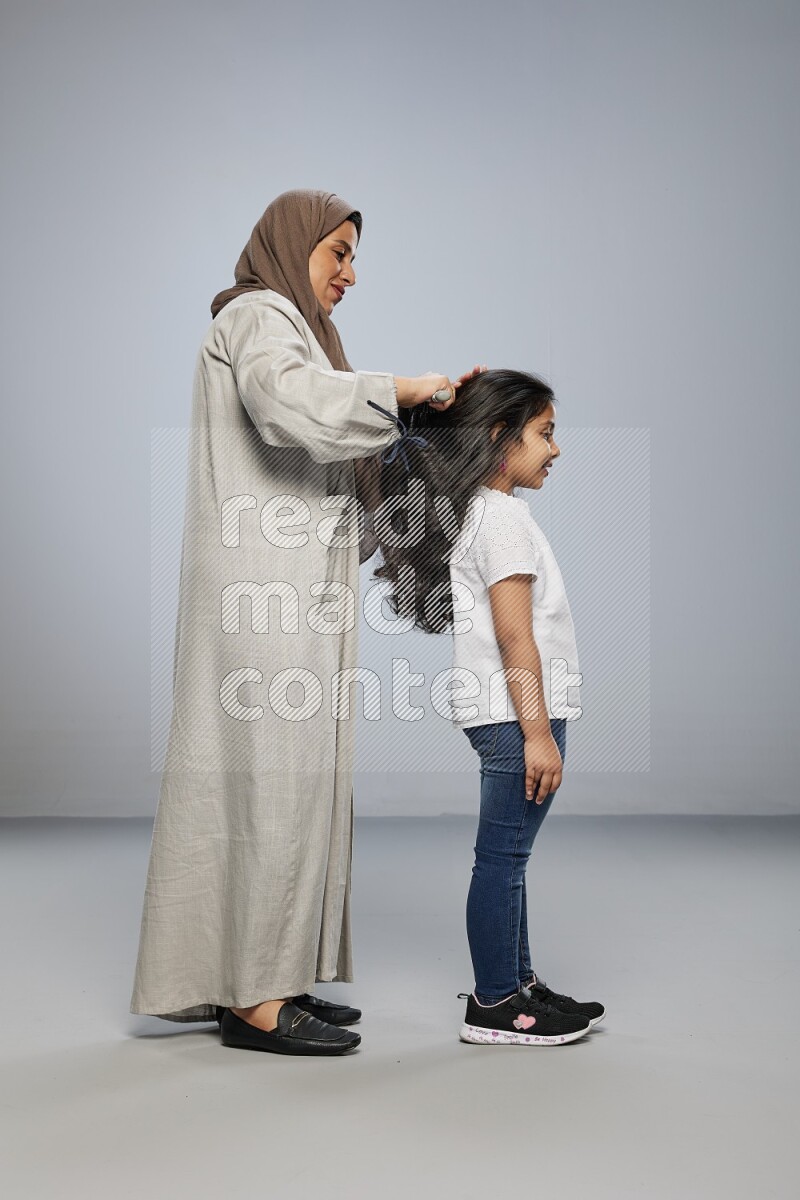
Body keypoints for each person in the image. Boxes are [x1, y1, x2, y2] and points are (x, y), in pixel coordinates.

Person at [130, 188, 481, 1056]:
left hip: (289, 587)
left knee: (291, 780)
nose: (350, 274)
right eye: (338, 253)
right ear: (294, 247)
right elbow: (291, 405)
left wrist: (425, 420)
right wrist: (398, 391)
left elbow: (328, 431)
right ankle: (253, 997)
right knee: (269, 778)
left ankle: (269, 976)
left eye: (354, 258)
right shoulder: (257, 317)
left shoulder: (297, 333)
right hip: (261, 591)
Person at [372, 368, 606, 1046]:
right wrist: (537, 732)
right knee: (501, 858)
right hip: (514, 717)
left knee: (511, 859)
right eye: (545, 434)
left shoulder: (492, 513)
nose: (555, 449)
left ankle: (518, 982)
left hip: (512, 714)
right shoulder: (500, 520)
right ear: (503, 440)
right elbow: (514, 636)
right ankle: (496, 1002)